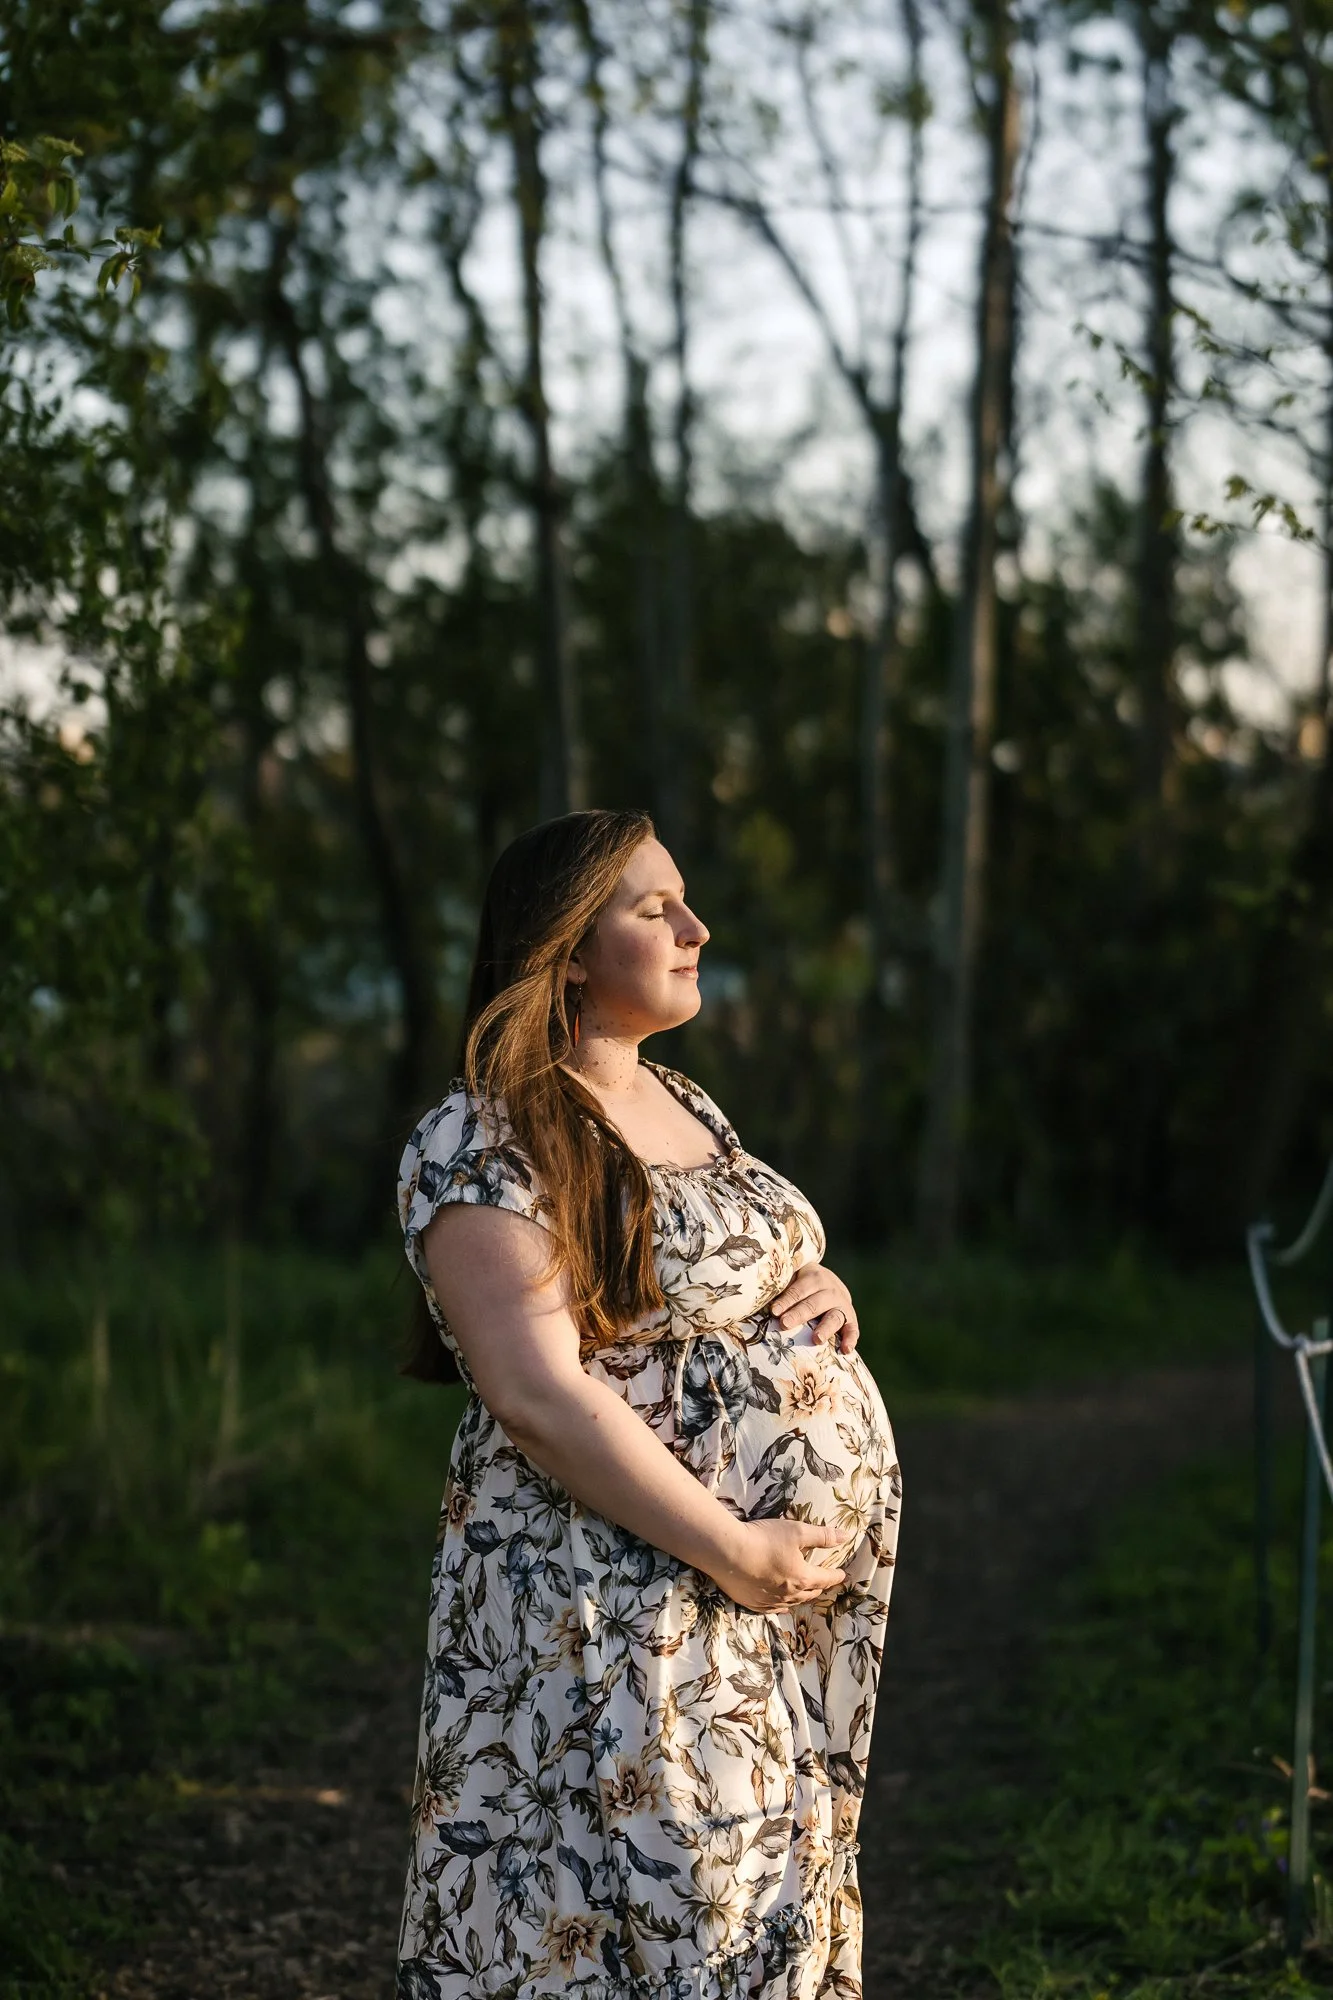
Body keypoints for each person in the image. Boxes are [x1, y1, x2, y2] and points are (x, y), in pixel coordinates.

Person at [395, 807, 901, 2000]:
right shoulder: (482, 1134)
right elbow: (532, 1391)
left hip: (755, 1601)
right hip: (611, 1596)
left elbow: (716, 1275)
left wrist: (816, 1285)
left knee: (764, 1883)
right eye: (653, 907)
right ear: (568, 948)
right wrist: (733, 1545)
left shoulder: (684, 1100)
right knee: (640, 1899)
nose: (695, 926)